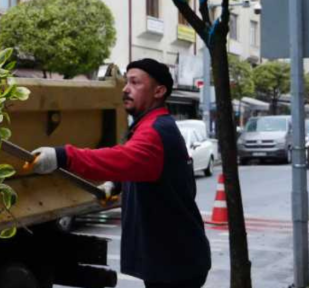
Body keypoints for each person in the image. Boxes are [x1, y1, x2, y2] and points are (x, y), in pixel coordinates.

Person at [30, 58, 211, 288]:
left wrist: (63, 156)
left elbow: (120, 158)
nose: (125, 88)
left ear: (159, 91)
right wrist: (116, 184)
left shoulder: (156, 131)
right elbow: (141, 166)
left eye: (135, 83)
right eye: (126, 82)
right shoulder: (151, 125)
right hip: (173, 258)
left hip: (176, 263)